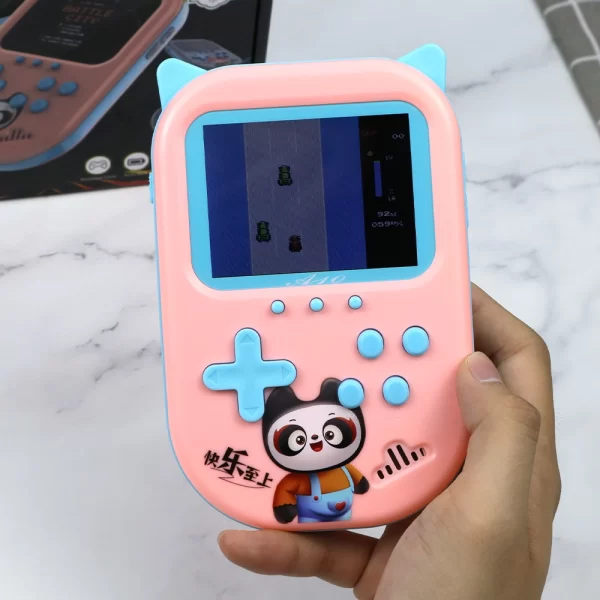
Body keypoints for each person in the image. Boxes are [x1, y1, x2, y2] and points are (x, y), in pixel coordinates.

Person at [217, 284, 561, 600]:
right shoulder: (299, 475)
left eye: (331, 432)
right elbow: (290, 487)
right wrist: (287, 505)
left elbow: (354, 476)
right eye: (298, 439)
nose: (318, 444)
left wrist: (362, 482)